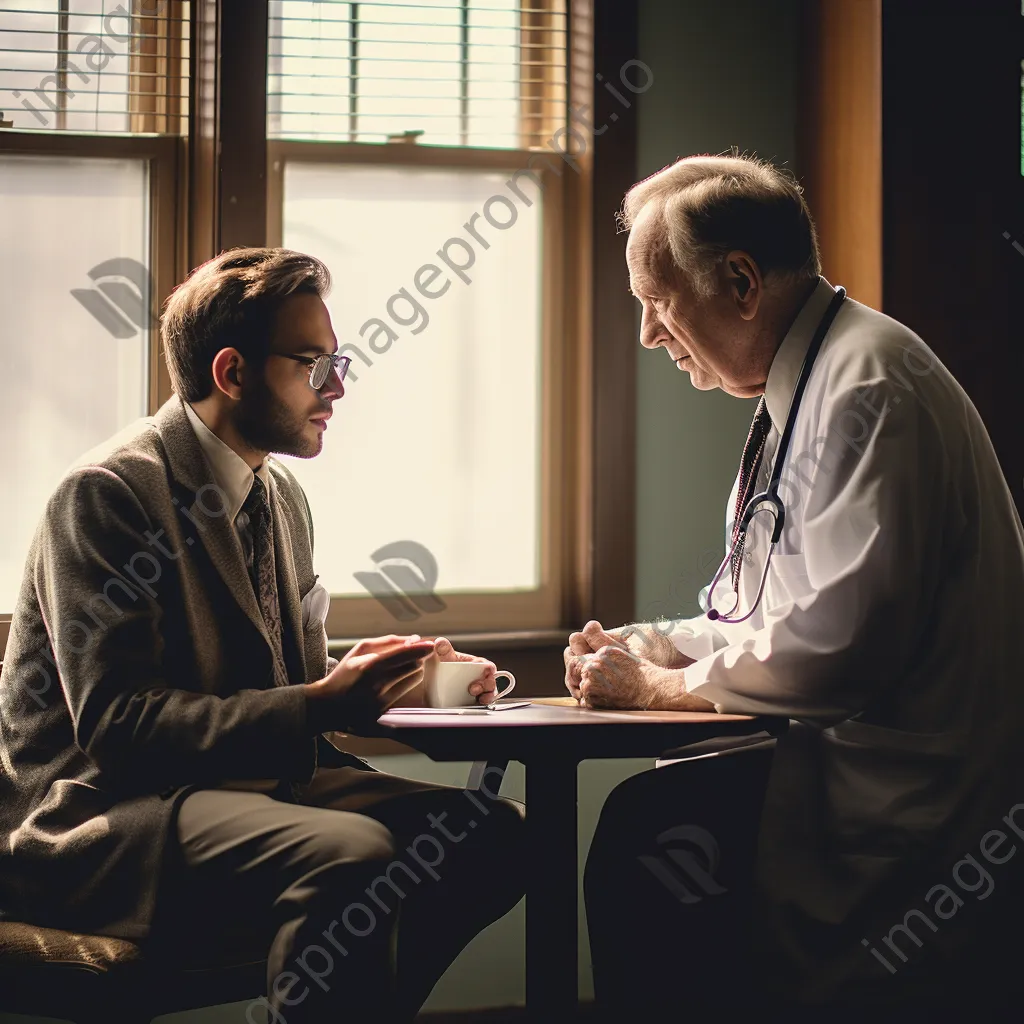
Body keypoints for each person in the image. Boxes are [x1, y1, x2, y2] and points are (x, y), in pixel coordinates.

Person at [0, 248, 525, 1023]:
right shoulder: (106, 494)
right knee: (352, 855)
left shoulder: (278, 495)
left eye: (336, 361)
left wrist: (391, 683)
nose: (338, 386)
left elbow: (292, 685)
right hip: (107, 810)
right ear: (232, 372)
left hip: (240, 783)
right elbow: (119, 728)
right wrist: (320, 704)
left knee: (488, 835)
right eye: (313, 363)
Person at [565, 155, 1024, 1019]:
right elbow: (775, 609)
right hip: (837, 773)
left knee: (646, 838)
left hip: (906, 808)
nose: (647, 335)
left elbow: (839, 646)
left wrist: (661, 688)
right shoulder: (803, 388)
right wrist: (659, 642)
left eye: (657, 302)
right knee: (649, 832)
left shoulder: (869, 386)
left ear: (740, 281)